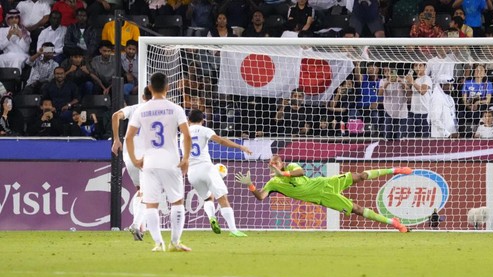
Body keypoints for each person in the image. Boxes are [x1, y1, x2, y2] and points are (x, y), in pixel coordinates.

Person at [235, 155, 411, 233]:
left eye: (276, 162)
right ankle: (394, 223)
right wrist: (250, 185)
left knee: (360, 176)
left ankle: (395, 170)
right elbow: (260, 197)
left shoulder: (290, 167)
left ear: (281, 163)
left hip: (324, 183)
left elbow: (301, 173)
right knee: (357, 209)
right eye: (271, 163)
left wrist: (284, 173)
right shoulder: (273, 183)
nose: (274, 165)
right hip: (322, 198)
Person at [125, 72, 193, 252]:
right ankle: (175, 242)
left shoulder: (141, 109)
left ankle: (158, 243)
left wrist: (134, 159)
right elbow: (186, 134)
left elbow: (129, 137)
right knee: (177, 202)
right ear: (168, 88)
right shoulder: (175, 108)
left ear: (149, 88)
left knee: (150, 204)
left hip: (149, 162)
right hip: (171, 161)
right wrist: (185, 158)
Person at [182, 109, 252, 237]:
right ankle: (233, 230)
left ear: (188, 120)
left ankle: (212, 217)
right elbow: (220, 141)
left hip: (192, 173)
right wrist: (240, 147)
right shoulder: (205, 130)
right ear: (203, 120)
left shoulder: (183, 133)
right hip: (206, 168)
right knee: (222, 198)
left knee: (208, 198)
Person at [111, 86, 152, 241]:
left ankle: (139, 226)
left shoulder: (134, 108)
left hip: (129, 156)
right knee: (146, 192)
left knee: (140, 190)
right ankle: (136, 224)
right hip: (148, 157)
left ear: (142, 96)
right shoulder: (159, 111)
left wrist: (116, 140)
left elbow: (116, 116)